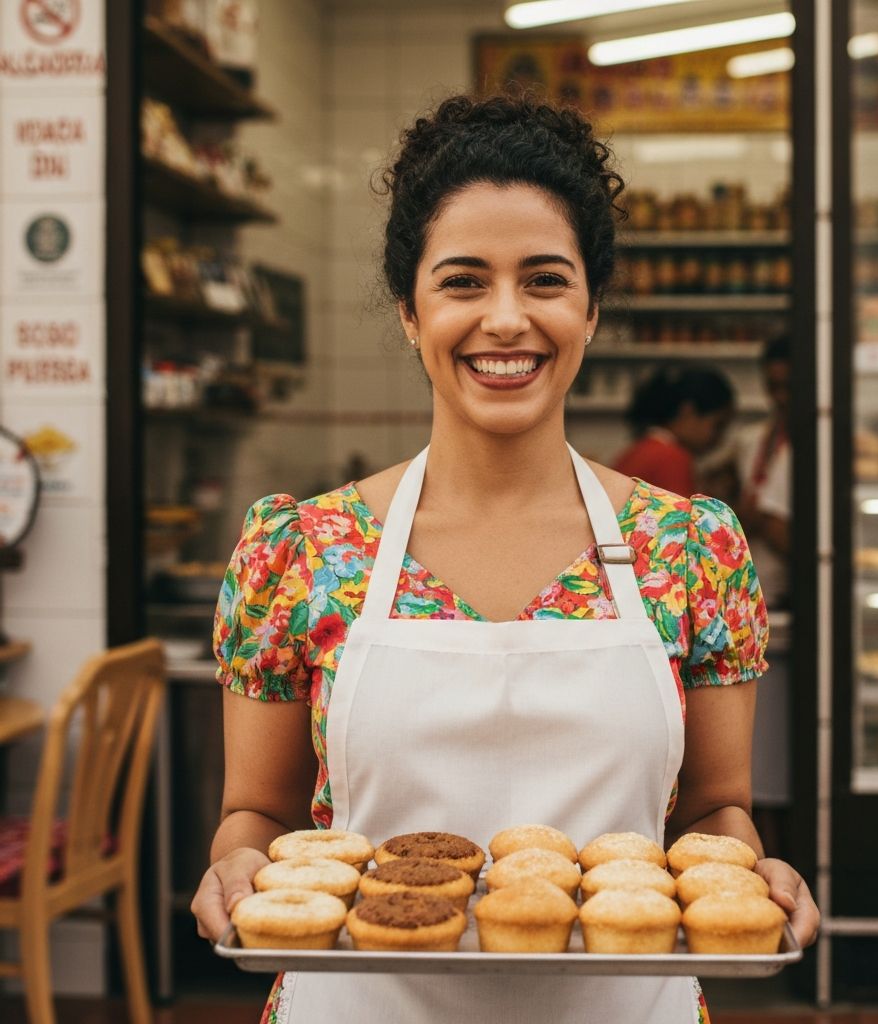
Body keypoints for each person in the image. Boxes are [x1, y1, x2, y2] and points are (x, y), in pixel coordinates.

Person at [191, 93, 819, 1024]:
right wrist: (236, 864)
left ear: (591, 309)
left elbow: (714, 813)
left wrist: (752, 873)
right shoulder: (302, 550)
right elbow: (256, 814)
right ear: (410, 311)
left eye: (545, 280)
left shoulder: (691, 548)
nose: (506, 318)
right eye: (463, 282)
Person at [613, 366, 735, 496]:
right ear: (687, 412)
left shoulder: (646, 449)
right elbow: (681, 509)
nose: (720, 438)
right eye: (718, 425)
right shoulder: (671, 458)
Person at [734, 335, 791, 608]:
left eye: (788, 386)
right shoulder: (755, 438)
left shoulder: (818, 443)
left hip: (790, 591)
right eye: (772, 386)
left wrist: (761, 520)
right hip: (752, 591)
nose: (780, 397)